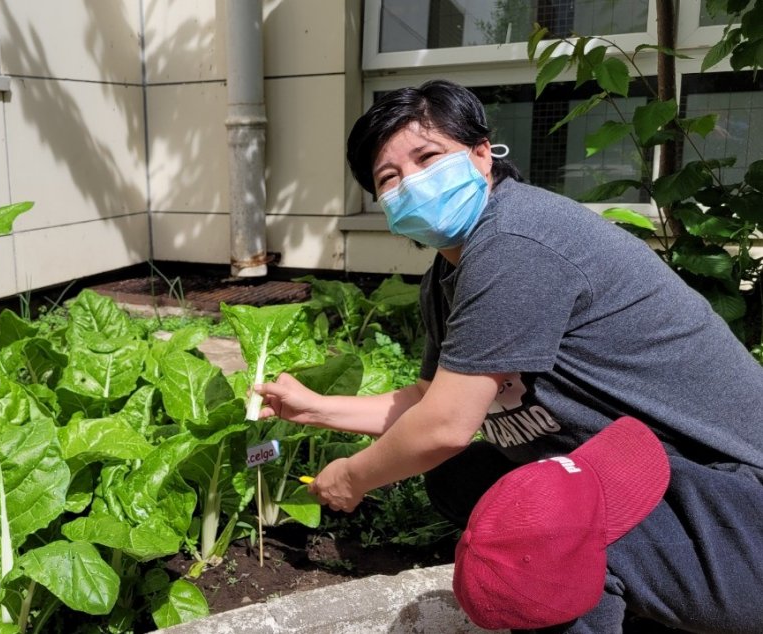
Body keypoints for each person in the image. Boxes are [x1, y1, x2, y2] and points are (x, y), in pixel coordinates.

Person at [253, 79, 763, 632]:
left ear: (481, 153)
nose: (412, 182)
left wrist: (353, 477)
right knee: (462, 480)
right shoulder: (451, 272)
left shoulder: (517, 244)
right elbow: (432, 400)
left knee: (537, 541)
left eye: (427, 157)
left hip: (734, 505)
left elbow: (445, 426)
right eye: (389, 177)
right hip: (654, 478)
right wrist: (316, 408)